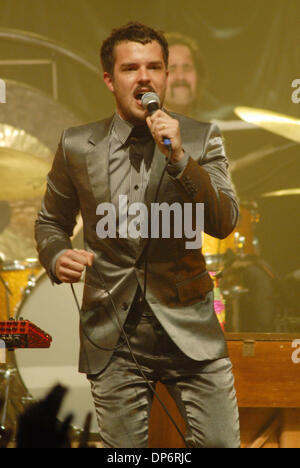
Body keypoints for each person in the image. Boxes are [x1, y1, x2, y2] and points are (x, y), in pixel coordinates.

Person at [35, 22, 240, 448]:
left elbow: (223, 221)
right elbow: (50, 223)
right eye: (131, 68)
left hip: (191, 329)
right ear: (110, 79)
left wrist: (181, 158)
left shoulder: (201, 138)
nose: (144, 77)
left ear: (165, 76)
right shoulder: (77, 145)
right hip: (114, 333)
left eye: (154, 67)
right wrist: (56, 257)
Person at [164, 32, 234, 121]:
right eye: (172, 69)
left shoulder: (210, 131)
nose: (181, 76)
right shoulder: (143, 132)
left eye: (187, 68)